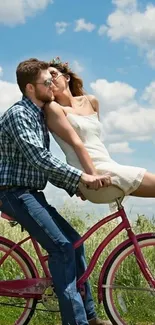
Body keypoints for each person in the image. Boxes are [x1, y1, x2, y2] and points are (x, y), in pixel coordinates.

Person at [0, 58, 112, 325]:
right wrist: (81, 176)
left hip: (30, 192)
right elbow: (40, 159)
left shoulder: (38, 115)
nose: (51, 84)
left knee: (75, 243)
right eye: (46, 81)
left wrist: (75, 186)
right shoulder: (20, 115)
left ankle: (90, 317)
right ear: (30, 88)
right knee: (62, 248)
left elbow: (44, 168)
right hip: (13, 193)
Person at [44, 57, 155, 205]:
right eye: (46, 79)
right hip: (89, 171)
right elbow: (77, 144)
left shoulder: (91, 101)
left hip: (107, 164)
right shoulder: (53, 108)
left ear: (67, 77)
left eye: (53, 74)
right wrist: (92, 175)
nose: (50, 80)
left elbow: (95, 140)